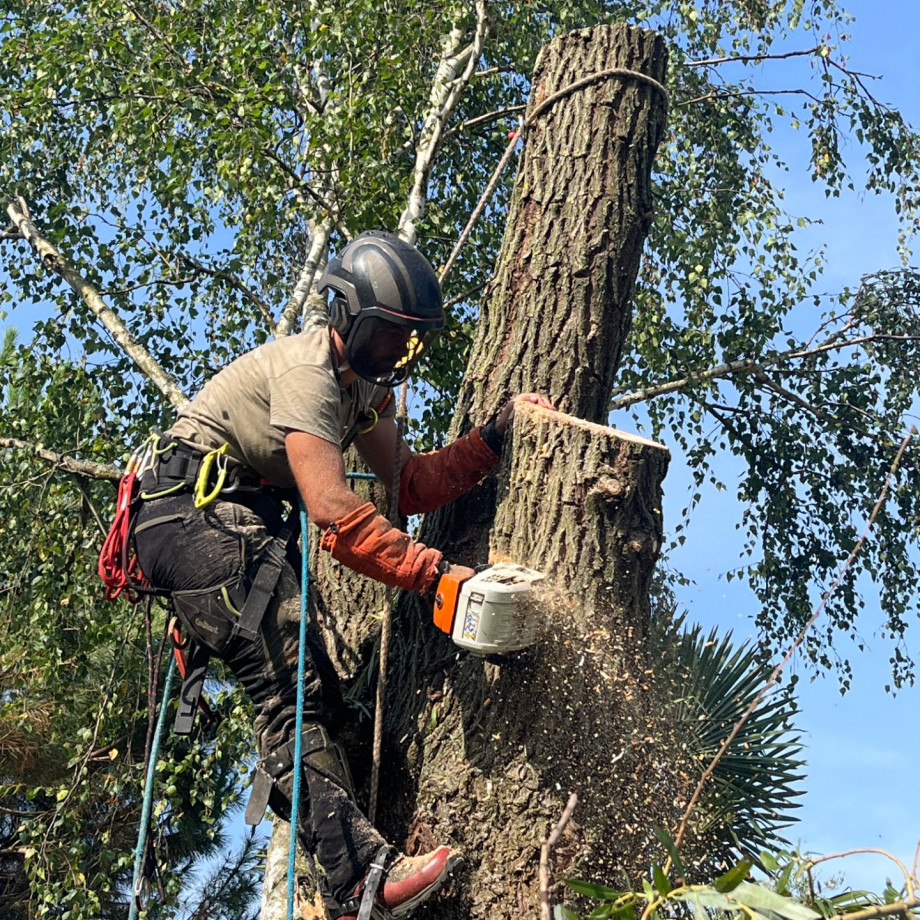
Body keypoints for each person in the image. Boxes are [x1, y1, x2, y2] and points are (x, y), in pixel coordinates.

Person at [131, 230, 553, 919]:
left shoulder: (363, 394)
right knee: (290, 694)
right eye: (390, 337)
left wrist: (490, 441)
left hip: (229, 527)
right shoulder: (309, 373)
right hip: (188, 521)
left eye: (411, 342)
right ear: (349, 317)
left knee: (334, 712)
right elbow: (334, 512)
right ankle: (358, 879)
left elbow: (405, 484)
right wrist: (438, 576)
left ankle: (348, 846)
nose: (400, 355)